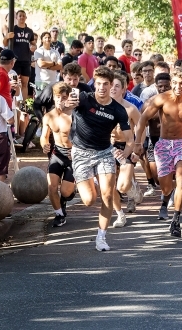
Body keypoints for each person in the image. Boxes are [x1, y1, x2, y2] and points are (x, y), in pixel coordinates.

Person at [133, 69, 182, 238]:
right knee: (165, 186)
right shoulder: (161, 99)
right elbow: (143, 119)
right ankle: (167, 197)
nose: (178, 86)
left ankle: (176, 219)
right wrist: (138, 142)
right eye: (175, 83)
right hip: (163, 145)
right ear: (171, 83)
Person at [65, 66, 133, 251]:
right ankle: (90, 182)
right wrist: (67, 105)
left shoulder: (118, 110)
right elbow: (64, 108)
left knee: (108, 195)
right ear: (93, 83)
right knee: (88, 200)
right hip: (81, 153)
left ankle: (101, 237)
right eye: (98, 84)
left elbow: (129, 139)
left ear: (111, 85)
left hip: (104, 152)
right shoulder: (83, 98)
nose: (101, 87)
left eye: (105, 84)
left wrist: (125, 153)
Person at [109, 72, 142, 227]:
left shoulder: (130, 109)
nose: (113, 89)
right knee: (110, 184)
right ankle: (120, 214)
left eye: (117, 86)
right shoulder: (102, 107)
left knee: (122, 186)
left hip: (126, 146)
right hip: (108, 147)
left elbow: (142, 129)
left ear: (123, 89)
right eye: (111, 85)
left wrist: (137, 150)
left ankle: (132, 187)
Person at [40, 82, 75, 227]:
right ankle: (59, 214)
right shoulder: (48, 116)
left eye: (64, 97)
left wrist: (77, 150)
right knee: (52, 187)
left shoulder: (73, 114)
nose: (61, 100)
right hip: (57, 154)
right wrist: (44, 145)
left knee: (66, 192)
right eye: (58, 97)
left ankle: (68, 195)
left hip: (73, 156)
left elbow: (83, 135)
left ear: (68, 98)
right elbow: (44, 136)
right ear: (54, 97)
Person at [140, 73, 171, 198]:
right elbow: (142, 125)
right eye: (160, 86)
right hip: (154, 140)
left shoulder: (177, 102)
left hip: (171, 141)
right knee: (157, 178)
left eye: (166, 86)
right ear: (155, 86)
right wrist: (139, 143)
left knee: (170, 174)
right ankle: (167, 189)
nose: (163, 89)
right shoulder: (148, 104)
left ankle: (170, 194)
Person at [3, 10, 34, 101]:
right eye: (20, 16)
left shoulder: (29, 31)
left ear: (26, 17)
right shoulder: (12, 29)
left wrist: (33, 46)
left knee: (25, 83)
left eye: (23, 16)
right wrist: (7, 37)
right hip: (15, 60)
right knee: (15, 82)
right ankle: (14, 102)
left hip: (26, 59)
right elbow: (5, 44)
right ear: (16, 17)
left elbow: (33, 43)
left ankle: (23, 104)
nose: (22, 17)